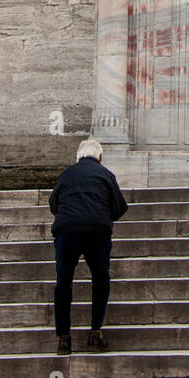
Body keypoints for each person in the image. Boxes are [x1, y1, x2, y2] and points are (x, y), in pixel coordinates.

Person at [49, 138, 128, 354]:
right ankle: (95, 333)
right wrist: (101, 215)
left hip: (67, 230)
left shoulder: (66, 175)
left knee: (63, 282)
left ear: (78, 157)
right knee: (100, 279)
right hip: (96, 230)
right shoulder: (105, 175)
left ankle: (64, 338)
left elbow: (53, 203)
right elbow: (120, 207)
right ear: (100, 158)